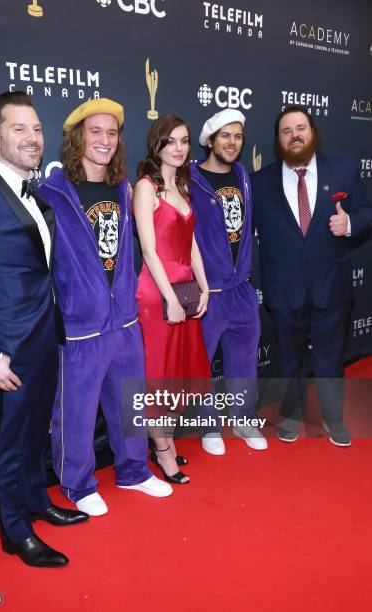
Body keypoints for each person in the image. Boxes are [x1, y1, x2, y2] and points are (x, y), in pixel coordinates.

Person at [0, 91, 88, 569]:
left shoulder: (38, 195)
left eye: (37, 129)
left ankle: (35, 501)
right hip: (6, 351)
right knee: (6, 443)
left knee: (32, 437)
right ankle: (15, 531)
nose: (32, 138)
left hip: (45, 341)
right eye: (19, 128)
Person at [38, 98, 172, 517]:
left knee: (128, 402)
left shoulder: (122, 188)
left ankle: (133, 470)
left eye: (112, 133)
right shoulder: (51, 193)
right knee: (75, 411)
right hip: (81, 327)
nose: (104, 140)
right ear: (78, 138)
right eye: (95, 131)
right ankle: (77, 484)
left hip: (125, 320)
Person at [251, 105, 372, 446]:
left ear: (313, 132)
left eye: (300, 127)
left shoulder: (344, 171)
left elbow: (365, 211)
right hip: (284, 289)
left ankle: (334, 419)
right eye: (286, 130)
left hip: (330, 286)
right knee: (288, 359)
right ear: (278, 140)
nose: (295, 135)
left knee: (330, 359)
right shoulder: (259, 183)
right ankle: (290, 415)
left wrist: (350, 224)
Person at [133, 114, 211, 484]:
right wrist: (171, 299)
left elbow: (190, 240)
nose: (179, 148)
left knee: (179, 373)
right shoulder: (146, 187)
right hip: (157, 292)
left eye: (184, 141)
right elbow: (149, 251)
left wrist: (204, 283)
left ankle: (166, 441)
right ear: (157, 145)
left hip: (186, 288)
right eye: (171, 141)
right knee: (159, 376)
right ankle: (162, 451)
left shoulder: (183, 186)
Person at [189, 109, 267, 454]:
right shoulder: (188, 179)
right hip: (209, 291)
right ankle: (209, 427)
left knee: (244, 360)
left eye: (237, 136)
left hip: (242, 290)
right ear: (210, 140)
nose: (232, 142)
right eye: (225, 135)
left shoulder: (243, 176)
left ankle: (243, 418)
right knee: (202, 363)